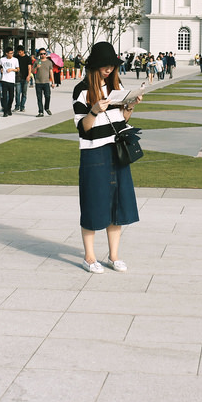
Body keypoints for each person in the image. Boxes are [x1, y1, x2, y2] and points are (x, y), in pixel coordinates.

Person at [72, 41, 141, 274]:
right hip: (94, 152)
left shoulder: (116, 86)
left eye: (112, 65)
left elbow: (121, 120)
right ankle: (89, 257)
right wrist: (94, 110)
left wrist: (129, 107)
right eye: (105, 65)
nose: (109, 69)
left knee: (117, 204)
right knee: (93, 203)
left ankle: (114, 256)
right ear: (95, 66)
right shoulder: (82, 90)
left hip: (117, 150)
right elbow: (83, 128)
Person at [33, 48, 54, 117]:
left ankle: (46, 108)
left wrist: (53, 82)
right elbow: (33, 71)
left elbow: (51, 72)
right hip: (38, 82)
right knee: (39, 98)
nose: (43, 55)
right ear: (39, 54)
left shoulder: (49, 62)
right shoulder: (37, 62)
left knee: (47, 96)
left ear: (46, 54)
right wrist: (36, 67)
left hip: (46, 82)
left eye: (44, 54)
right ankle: (41, 112)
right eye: (41, 54)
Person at [0, 47, 19, 117]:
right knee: (4, 97)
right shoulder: (2, 59)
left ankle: (9, 108)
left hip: (11, 80)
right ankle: (5, 111)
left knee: (11, 97)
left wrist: (12, 69)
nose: (11, 54)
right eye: (10, 53)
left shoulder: (15, 60)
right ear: (6, 53)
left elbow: (18, 69)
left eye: (12, 53)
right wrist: (1, 69)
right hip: (4, 80)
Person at [14, 46, 32, 113]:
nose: (19, 53)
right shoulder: (16, 57)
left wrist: (29, 76)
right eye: (18, 52)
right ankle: (17, 106)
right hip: (18, 77)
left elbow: (29, 68)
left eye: (20, 52)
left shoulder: (28, 58)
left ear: (23, 51)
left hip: (25, 77)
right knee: (17, 93)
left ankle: (22, 107)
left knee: (24, 93)